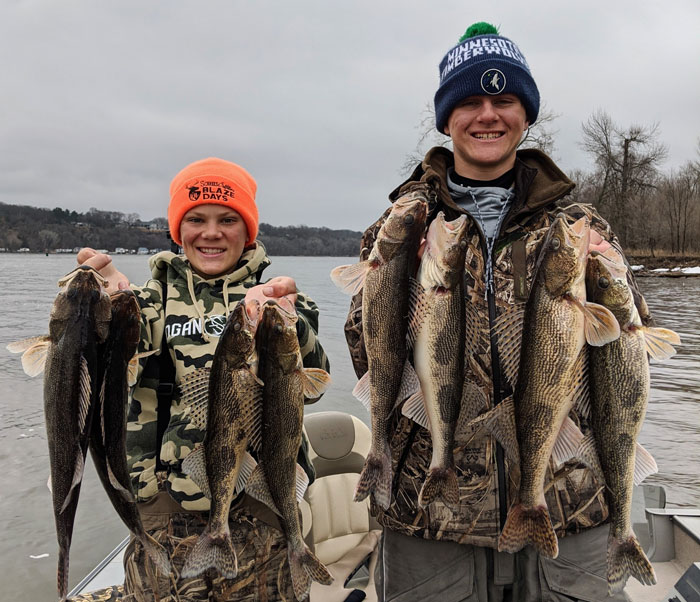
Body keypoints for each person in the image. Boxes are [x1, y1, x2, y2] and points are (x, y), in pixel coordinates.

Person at [343, 22, 652, 602]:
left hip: (568, 507)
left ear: (525, 115)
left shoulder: (578, 228)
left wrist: (609, 280)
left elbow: (626, 349)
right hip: (431, 515)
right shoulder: (401, 227)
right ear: (446, 118)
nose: (488, 115)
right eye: (470, 101)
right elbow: (369, 353)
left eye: (504, 100)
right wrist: (404, 279)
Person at [71, 157, 329, 602]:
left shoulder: (281, 300)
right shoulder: (149, 303)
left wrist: (288, 321)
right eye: (196, 219)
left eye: (228, 220)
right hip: (164, 516)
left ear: (248, 232)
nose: (211, 232)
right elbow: (117, 352)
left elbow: (316, 382)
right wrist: (103, 301)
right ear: (177, 229)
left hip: (263, 509)